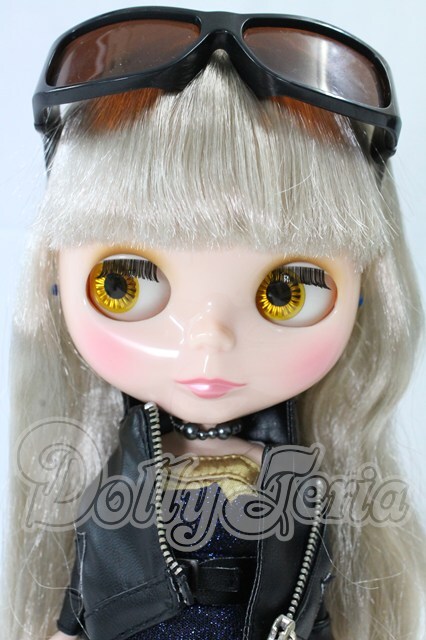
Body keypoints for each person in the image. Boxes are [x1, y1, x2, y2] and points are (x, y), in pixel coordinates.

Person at [5, 8, 426, 640]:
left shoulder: (303, 478)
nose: (209, 341)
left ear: (367, 292)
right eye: (123, 284)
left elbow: (315, 604)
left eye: (286, 293)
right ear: (55, 279)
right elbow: (81, 597)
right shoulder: (106, 469)